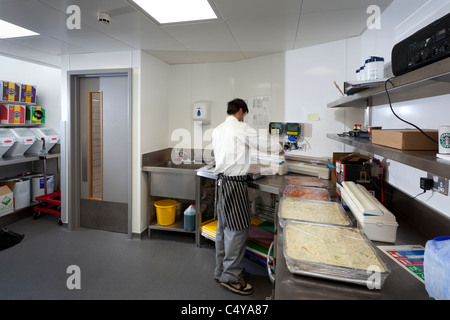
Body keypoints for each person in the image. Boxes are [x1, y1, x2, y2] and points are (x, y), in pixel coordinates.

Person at [212, 98, 279, 295]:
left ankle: (220, 271)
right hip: (234, 185)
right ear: (241, 111)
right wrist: (281, 149)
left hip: (221, 184)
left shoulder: (218, 130)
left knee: (223, 229)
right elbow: (265, 144)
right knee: (238, 230)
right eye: (244, 115)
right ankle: (231, 277)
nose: (244, 118)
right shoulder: (241, 128)